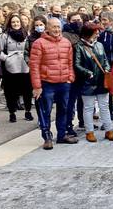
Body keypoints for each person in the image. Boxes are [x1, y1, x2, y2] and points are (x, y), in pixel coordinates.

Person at [29, 18, 78, 149]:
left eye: (58, 27)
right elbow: (34, 66)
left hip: (64, 82)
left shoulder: (66, 42)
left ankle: (61, 135)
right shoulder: (39, 43)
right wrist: (37, 86)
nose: (56, 30)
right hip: (47, 83)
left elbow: (70, 62)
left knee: (64, 110)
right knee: (45, 111)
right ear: (48, 28)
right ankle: (47, 137)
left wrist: (70, 77)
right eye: (53, 27)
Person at [74, 23, 113, 143]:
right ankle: (89, 131)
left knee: (104, 106)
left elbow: (105, 60)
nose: (98, 33)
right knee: (88, 108)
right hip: (87, 82)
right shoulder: (79, 47)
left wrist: (107, 69)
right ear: (88, 33)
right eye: (95, 31)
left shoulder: (99, 45)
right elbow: (76, 64)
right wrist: (87, 73)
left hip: (102, 80)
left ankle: (109, 129)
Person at [0, 13, 33, 123]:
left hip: (25, 66)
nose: (15, 24)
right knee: (10, 91)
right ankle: (12, 112)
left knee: (27, 90)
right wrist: (6, 58)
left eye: (17, 22)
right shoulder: (4, 35)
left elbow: (31, 48)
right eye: (13, 22)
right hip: (10, 66)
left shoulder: (27, 34)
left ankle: (28, 111)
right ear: (9, 23)